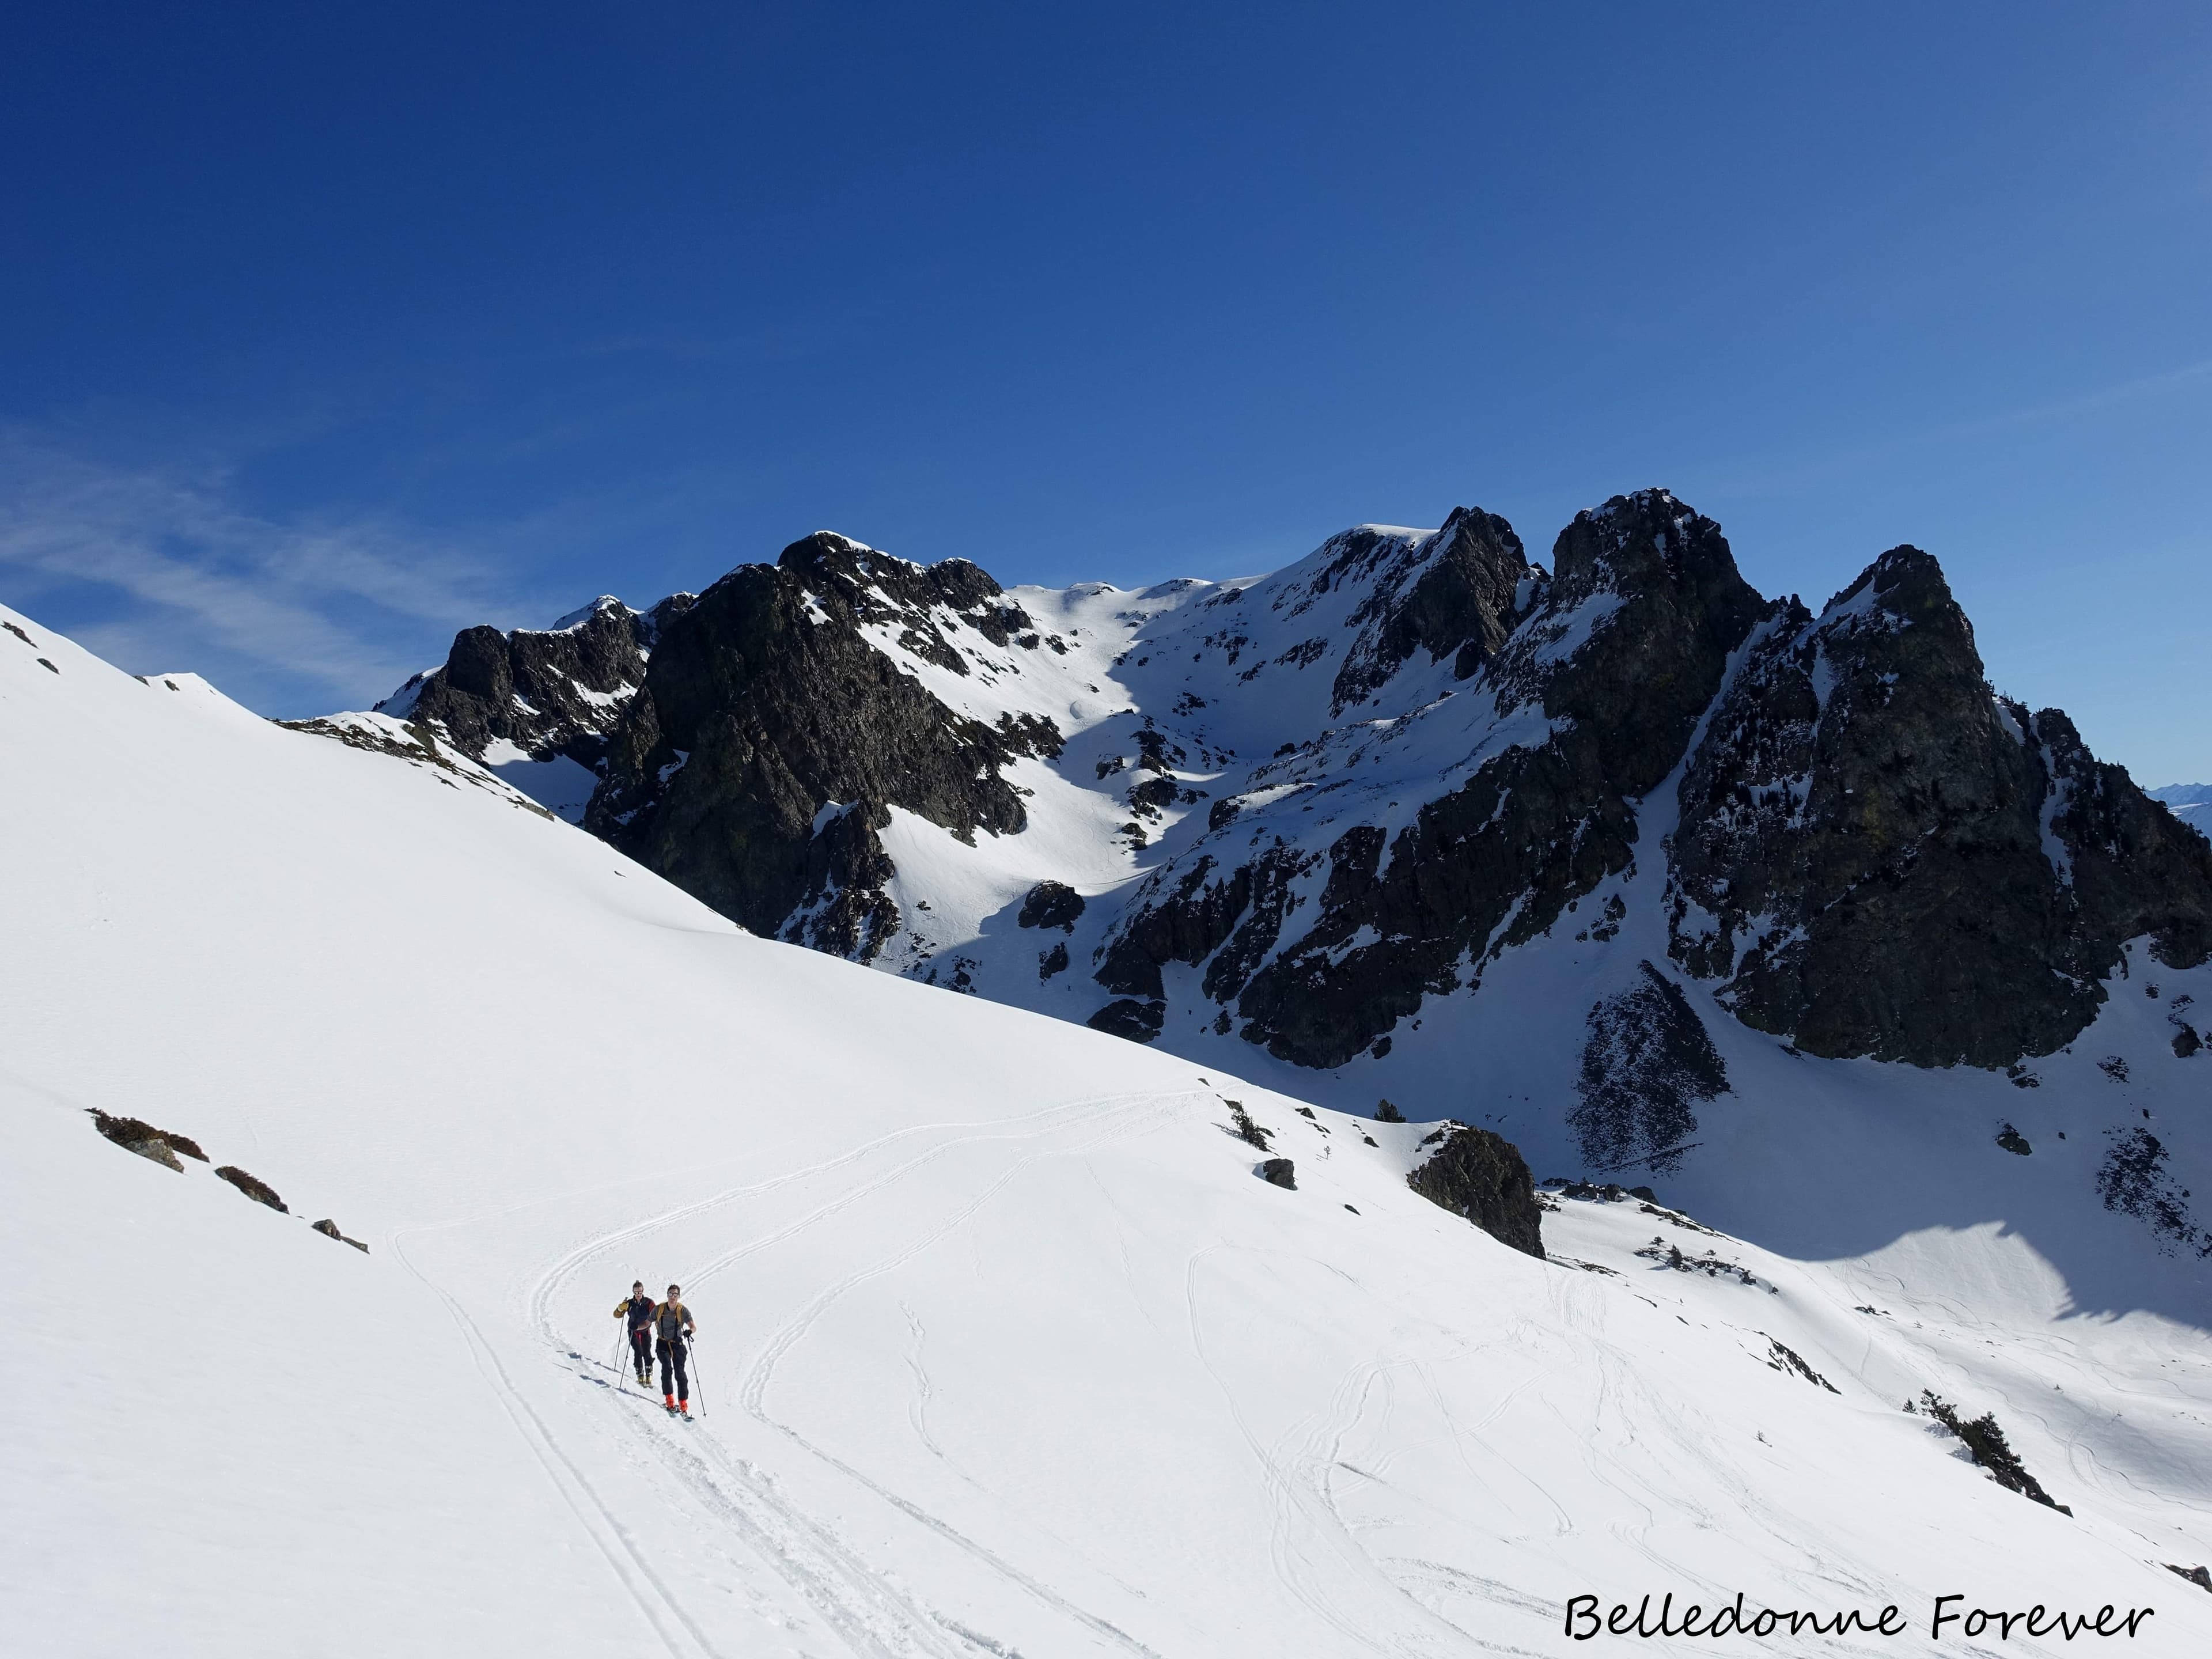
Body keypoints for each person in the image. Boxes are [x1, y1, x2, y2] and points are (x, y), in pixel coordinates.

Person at [653, 1282, 697, 1416]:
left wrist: (690, 1331)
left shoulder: (682, 1310)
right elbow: (648, 1322)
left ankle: (683, 1404)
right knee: (667, 1369)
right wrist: (636, 1327)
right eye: (671, 1294)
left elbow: (693, 1326)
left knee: (680, 1374)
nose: (673, 1297)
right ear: (667, 1295)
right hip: (662, 1344)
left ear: (679, 1296)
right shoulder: (659, 1309)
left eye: (675, 1295)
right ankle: (670, 1401)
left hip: (677, 1345)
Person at [611, 1280, 656, 1387]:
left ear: (643, 1291)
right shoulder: (630, 1303)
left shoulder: (649, 1303)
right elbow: (617, 1315)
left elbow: (655, 1314)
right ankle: (640, 1374)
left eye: (640, 1292)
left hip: (645, 1330)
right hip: (633, 1331)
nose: (638, 1294)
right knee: (638, 1351)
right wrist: (620, 1308)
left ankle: (649, 1374)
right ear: (633, 1292)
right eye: (636, 1292)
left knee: (647, 1351)